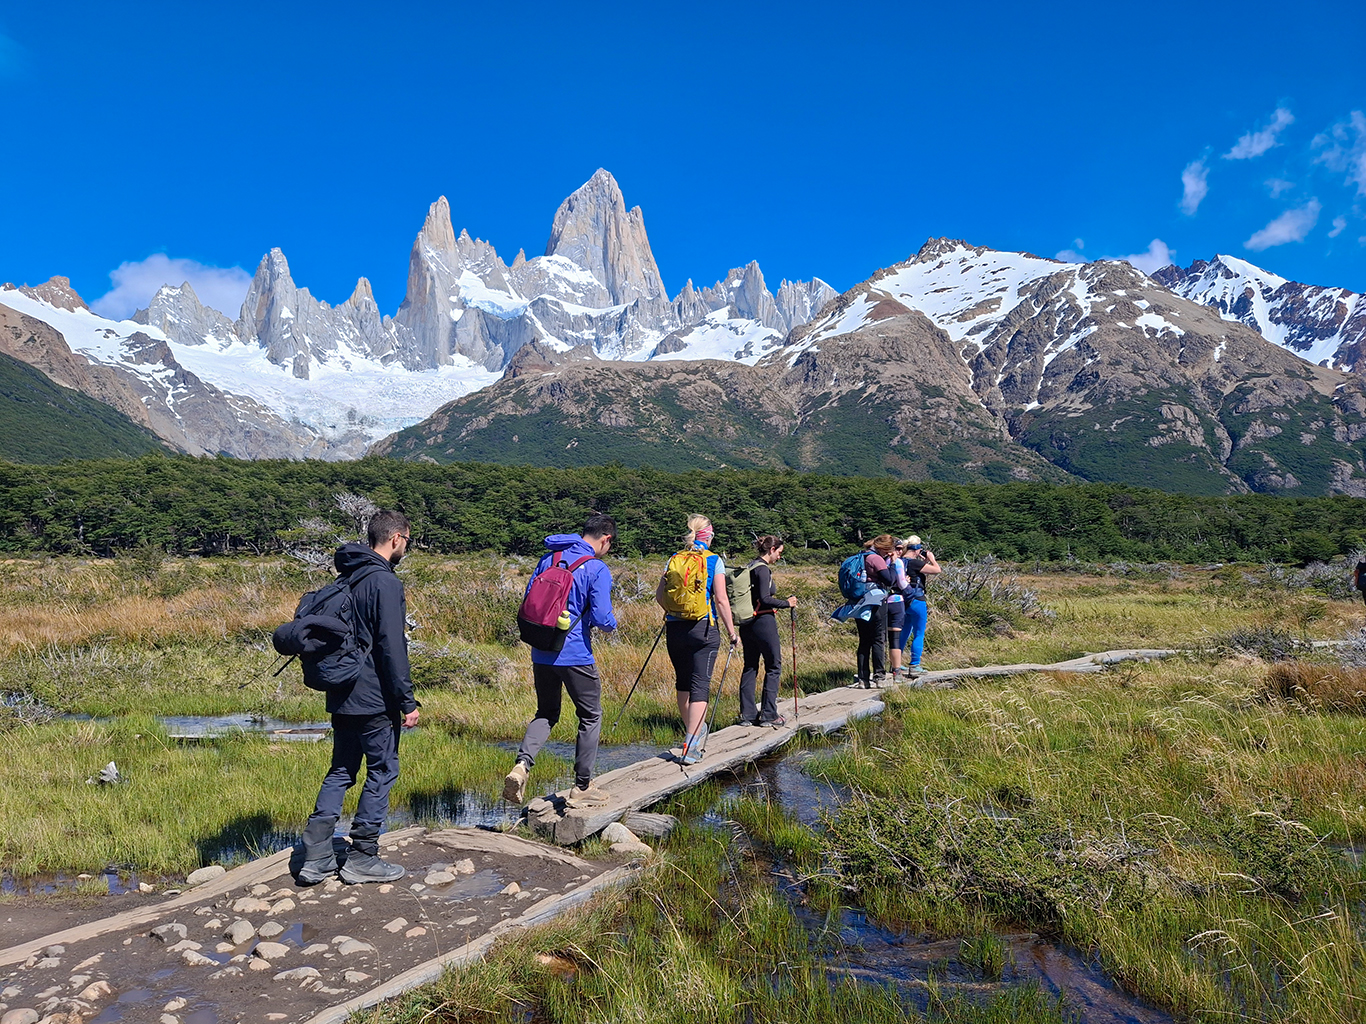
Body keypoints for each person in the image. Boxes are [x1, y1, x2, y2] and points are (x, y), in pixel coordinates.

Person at [297, 510, 420, 886]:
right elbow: (391, 647)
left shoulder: (346, 576)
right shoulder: (384, 581)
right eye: (407, 541)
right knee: (382, 770)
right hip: (374, 697)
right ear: (396, 538)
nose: (406, 547)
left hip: (341, 690)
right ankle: (363, 856)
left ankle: (316, 857)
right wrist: (406, 700)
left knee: (341, 770)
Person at [503, 515, 618, 808]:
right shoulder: (596, 568)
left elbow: (530, 600)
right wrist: (609, 624)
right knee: (590, 715)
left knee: (546, 712)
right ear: (605, 538)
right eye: (610, 544)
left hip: (542, 650)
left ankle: (522, 766)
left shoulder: (549, 558)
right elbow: (603, 618)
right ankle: (582, 787)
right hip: (575, 654)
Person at [656, 514, 738, 765]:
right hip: (703, 629)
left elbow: (660, 595)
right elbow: (721, 599)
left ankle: (692, 733)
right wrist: (732, 632)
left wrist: (673, 613)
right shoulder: (714, 560)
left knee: (682, 683)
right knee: (700, 685)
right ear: (708, 536)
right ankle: (691, 746)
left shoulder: (674, 558)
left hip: (675, 628)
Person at [737, 535, 798, 728]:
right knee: (773, 665)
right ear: (771, 550)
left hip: (747, 622)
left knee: (750, 666)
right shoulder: (763, 569)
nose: (779, 557)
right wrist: (787, 603)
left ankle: (747, 715)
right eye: (779, 552)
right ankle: (769, 715)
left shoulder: (750, 566)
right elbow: (765, 598)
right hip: (763, 621)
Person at [899, 534, 941, 676]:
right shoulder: (915, 563)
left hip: (903, 600)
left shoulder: (899, 561)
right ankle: (915, 664)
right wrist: (931, 559)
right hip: (917, 600)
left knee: (904, 631)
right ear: (917, 550)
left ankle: (896, 664)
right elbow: (937, 570)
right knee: (918, 633)